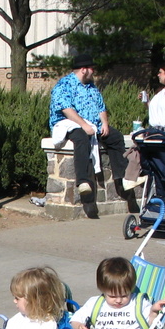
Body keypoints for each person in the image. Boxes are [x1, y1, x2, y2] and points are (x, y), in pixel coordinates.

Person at [48, 53, 128, 212]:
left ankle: (121, 178)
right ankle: (83, 182)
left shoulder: (92, 87)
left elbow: (101, 107)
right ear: (84, 70)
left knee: (116, 137)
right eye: (92, 69)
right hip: (70, 123)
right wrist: (83, 125)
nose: (94, 71)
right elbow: (66, 109)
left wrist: (105, 123)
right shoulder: (64, 85)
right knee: (81, 137)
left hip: (94, 125)